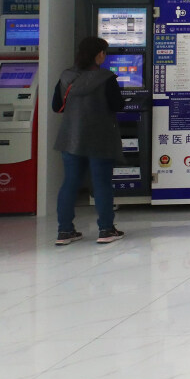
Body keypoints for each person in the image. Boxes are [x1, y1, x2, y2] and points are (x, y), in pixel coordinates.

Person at [52, 36, 125, 246]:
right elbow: (118, 105)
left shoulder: (66, 77)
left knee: (70, 183)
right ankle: (106, 229)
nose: (105, 56)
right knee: (102, 183)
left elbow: (56, 106)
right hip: (100, 138)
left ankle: (64, 231)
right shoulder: (106, 78)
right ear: (99, 54)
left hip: (70, 138)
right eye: (104, 52)